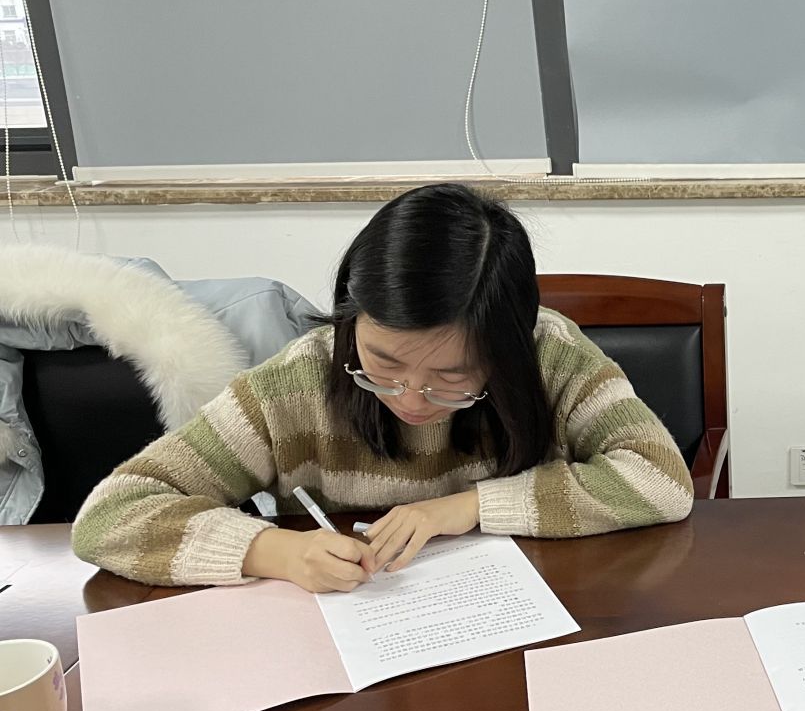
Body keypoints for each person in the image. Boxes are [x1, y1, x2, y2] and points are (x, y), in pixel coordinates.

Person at [73, 183, 693, 591]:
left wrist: (468, 507)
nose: (411, 398)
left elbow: (660, 480)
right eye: (383, 362)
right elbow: (111, 516)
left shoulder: (549, 354)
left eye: (452, 376)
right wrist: (274, 552)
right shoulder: (297, 382)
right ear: (350, 318)